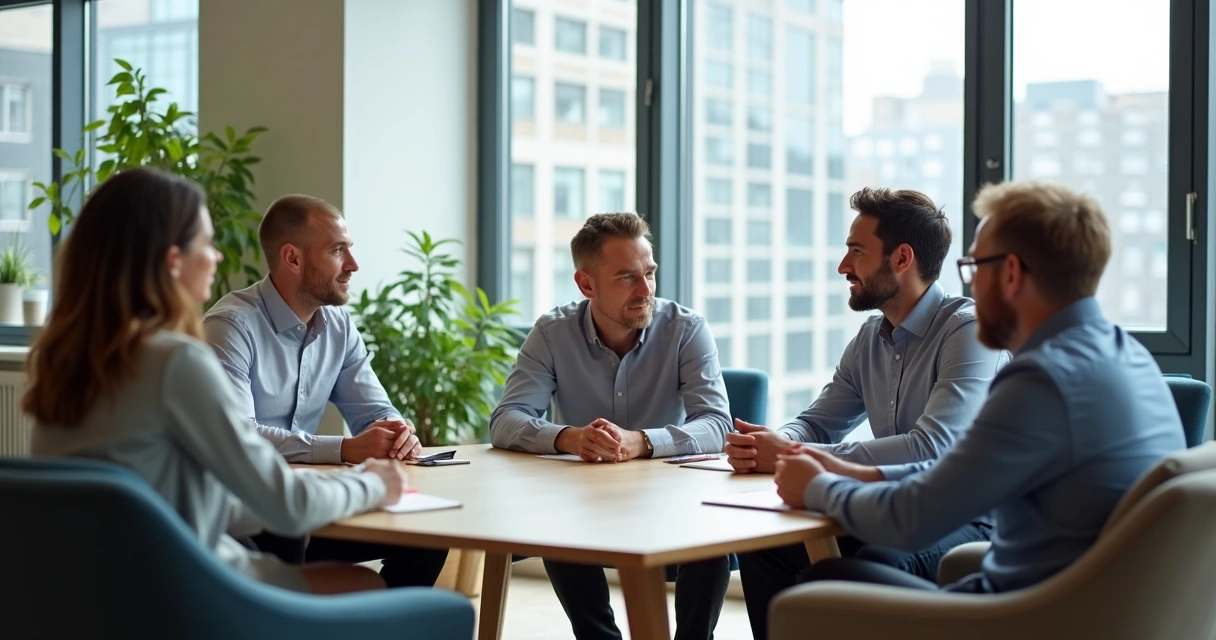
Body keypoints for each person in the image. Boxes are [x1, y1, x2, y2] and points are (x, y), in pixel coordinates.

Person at [772, 180, 1185, 598]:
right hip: (1083, 605)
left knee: (821, 585)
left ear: (1009, 273)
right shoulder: (1125, 356)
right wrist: (857, 472)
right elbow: (957, 472)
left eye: (974, 268)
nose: (970, 287)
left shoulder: (1042, 379)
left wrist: (816, 487)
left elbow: (912, 518)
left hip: (1023, 617)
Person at [27, 168, 409, 594]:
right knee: (373, 590)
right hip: (192, 595)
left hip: (94, 596)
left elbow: (181, 496)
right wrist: (374, 483)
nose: (218, 257)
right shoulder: (175, 362)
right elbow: (286, 505)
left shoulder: (64, 362)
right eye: (207, 244)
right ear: (173, 261)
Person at [727, 187, 1006, 639]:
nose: (843, 266)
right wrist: (772, 441)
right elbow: (817, 422)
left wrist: (795, 454)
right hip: (893, 504)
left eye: (856, 251)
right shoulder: (869, 340)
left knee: (876, 562)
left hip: (967, 518)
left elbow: (932, 448)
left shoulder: (968, 332)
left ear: (902, 259)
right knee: (768, 547)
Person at [489, 212, 732, 640]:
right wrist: (571, 437)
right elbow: (506, 420)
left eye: (650, 273)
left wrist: (642, 442)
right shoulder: (551, 332)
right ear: (586, 285)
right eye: (626, 278)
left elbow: (716, 425)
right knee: (555, 526)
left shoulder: (686, 330)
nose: (646, 291)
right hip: (586, 508)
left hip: (671, 504)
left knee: (710, 540)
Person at [202, 194, 448, 588]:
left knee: (427, 536)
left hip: (310, 508)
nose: (353, 265)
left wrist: (396, 433)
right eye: (338, 251)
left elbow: (375, 413)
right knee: (279, 539)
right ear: (293, 258)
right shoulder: (231, 327)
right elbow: (238, 435)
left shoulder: (338, 327)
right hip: (247, 510)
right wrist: (344, 449)